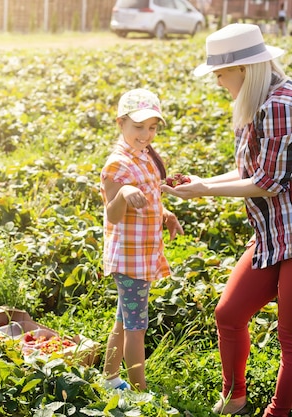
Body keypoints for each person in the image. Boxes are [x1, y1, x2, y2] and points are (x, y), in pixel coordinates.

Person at [162, 24, 292, 416]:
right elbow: (250, 170)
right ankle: (234, 397)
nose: (217, 81)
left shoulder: (281, 106)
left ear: (244, 70)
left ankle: (276, 413)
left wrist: (205, 193)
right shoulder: (257, 103)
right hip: (277, 230)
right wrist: (203, 183)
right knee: (228, 314)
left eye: (219, 73)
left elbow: (269, 183)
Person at [100, 88, 183, 391]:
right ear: (120, 123)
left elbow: (150, 199)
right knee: (137, 328)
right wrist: (123, 192)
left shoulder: (145, 157)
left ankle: (110, 379)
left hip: (143, 254)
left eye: (152, 127)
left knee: (124, 320)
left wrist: (166, 215)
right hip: (130, 260)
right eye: (138, 127)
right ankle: (140, 393)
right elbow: (112, 214)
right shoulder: (117, 165)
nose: (146, 134)